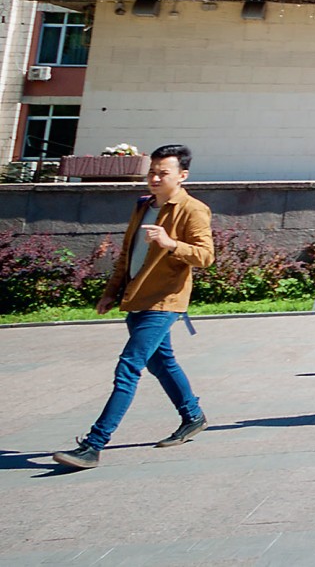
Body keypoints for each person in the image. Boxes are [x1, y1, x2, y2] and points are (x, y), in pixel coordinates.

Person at [52, 144, 215, 470]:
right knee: (161, 363)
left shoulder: (193, 209)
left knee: (128, 367)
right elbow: (127, 254)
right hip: (137, 297)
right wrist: (110, 292)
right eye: (151, 172)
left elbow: (206, 256)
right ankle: (193, 416)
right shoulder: (143, 206)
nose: (154, 178)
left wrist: (170, 243)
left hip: (164, 301)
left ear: (182, 175)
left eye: (163, 173)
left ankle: (94, 444)